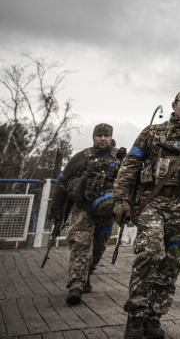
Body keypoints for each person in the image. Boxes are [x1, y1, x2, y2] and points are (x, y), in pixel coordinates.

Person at [113, 89, 180, 339]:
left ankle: (153, 317)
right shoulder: (152, 133)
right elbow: (130, 165)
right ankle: (135, 316)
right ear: (174, 105)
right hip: (152, 204)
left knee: (170, 264)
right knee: (150, 252)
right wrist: (121, 198)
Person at [51, 122, 123, 305]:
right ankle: (76, 285)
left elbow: (129, 182)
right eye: (99, 135)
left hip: (107, 212)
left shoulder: (119, 158)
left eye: (106, 135)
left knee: (98, 248)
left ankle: (87, 274)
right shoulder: (82, 157)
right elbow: (62, 181)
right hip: (83, 208)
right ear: (94, 137)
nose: (103, 139)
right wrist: (56, 209)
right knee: (81, 244)